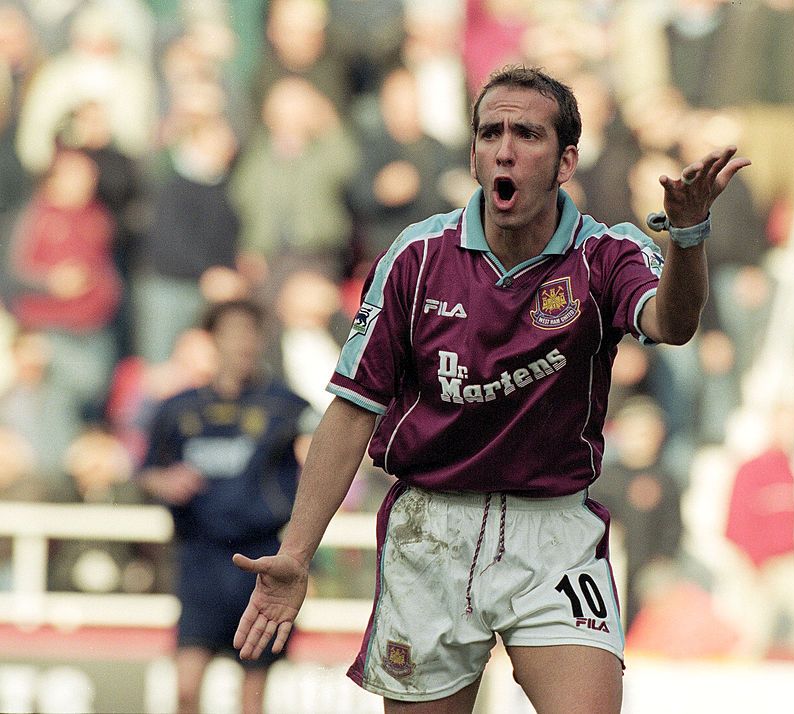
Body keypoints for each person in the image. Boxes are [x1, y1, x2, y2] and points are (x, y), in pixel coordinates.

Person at [232, 65, 749, 713]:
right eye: (490, 132)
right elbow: (352, 408)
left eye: (527, 134)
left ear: (566, 162)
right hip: (432, 530)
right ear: (475, 154)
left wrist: (689, 237)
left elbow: (671, 324)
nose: (505, 147)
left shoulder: (607, 254)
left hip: (554, 530)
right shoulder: (415, 257)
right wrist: (296, 553)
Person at [137, 299, 314, 714]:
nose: (242, 342)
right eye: (232, 331)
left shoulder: (287, 407)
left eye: (250, 331)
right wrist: (166, 481)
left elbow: (331, 458)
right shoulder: (177, 408)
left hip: (261, 555)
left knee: (251, 698)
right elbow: (145, 471)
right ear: (212, 339)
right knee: (185, 689)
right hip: (199, 557)